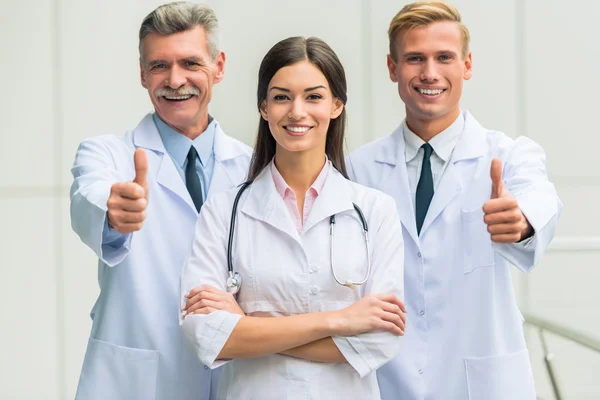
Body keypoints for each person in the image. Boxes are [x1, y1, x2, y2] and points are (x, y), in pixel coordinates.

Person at [347, 1, 562, 399]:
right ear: (393, 68)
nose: (430, 73)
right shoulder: (359, 169)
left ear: (467, 65)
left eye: (444, 57)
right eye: (414, 58)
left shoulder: (509, 155)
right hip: (389, 381)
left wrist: (521, 222)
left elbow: (540, 197)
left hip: (482, 383)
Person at [179, 36, 406, 400]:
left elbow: (379, 341)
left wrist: (247, 328)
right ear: (264, 107)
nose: (297, 111)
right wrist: (339, 321)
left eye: (313, 96)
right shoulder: (223, 212)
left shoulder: (375, 211)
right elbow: (205, 336)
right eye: (282, 97)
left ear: (336, 105)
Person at [69, 3, 251, 399]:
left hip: (234, 380)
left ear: (218, 67)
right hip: (136, 384)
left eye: (190, 63)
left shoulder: (256, 168)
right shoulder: (107, 156)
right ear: (141, 74)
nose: (175, 80)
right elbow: (91, 199)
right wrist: (115, 211)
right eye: (158, 66)